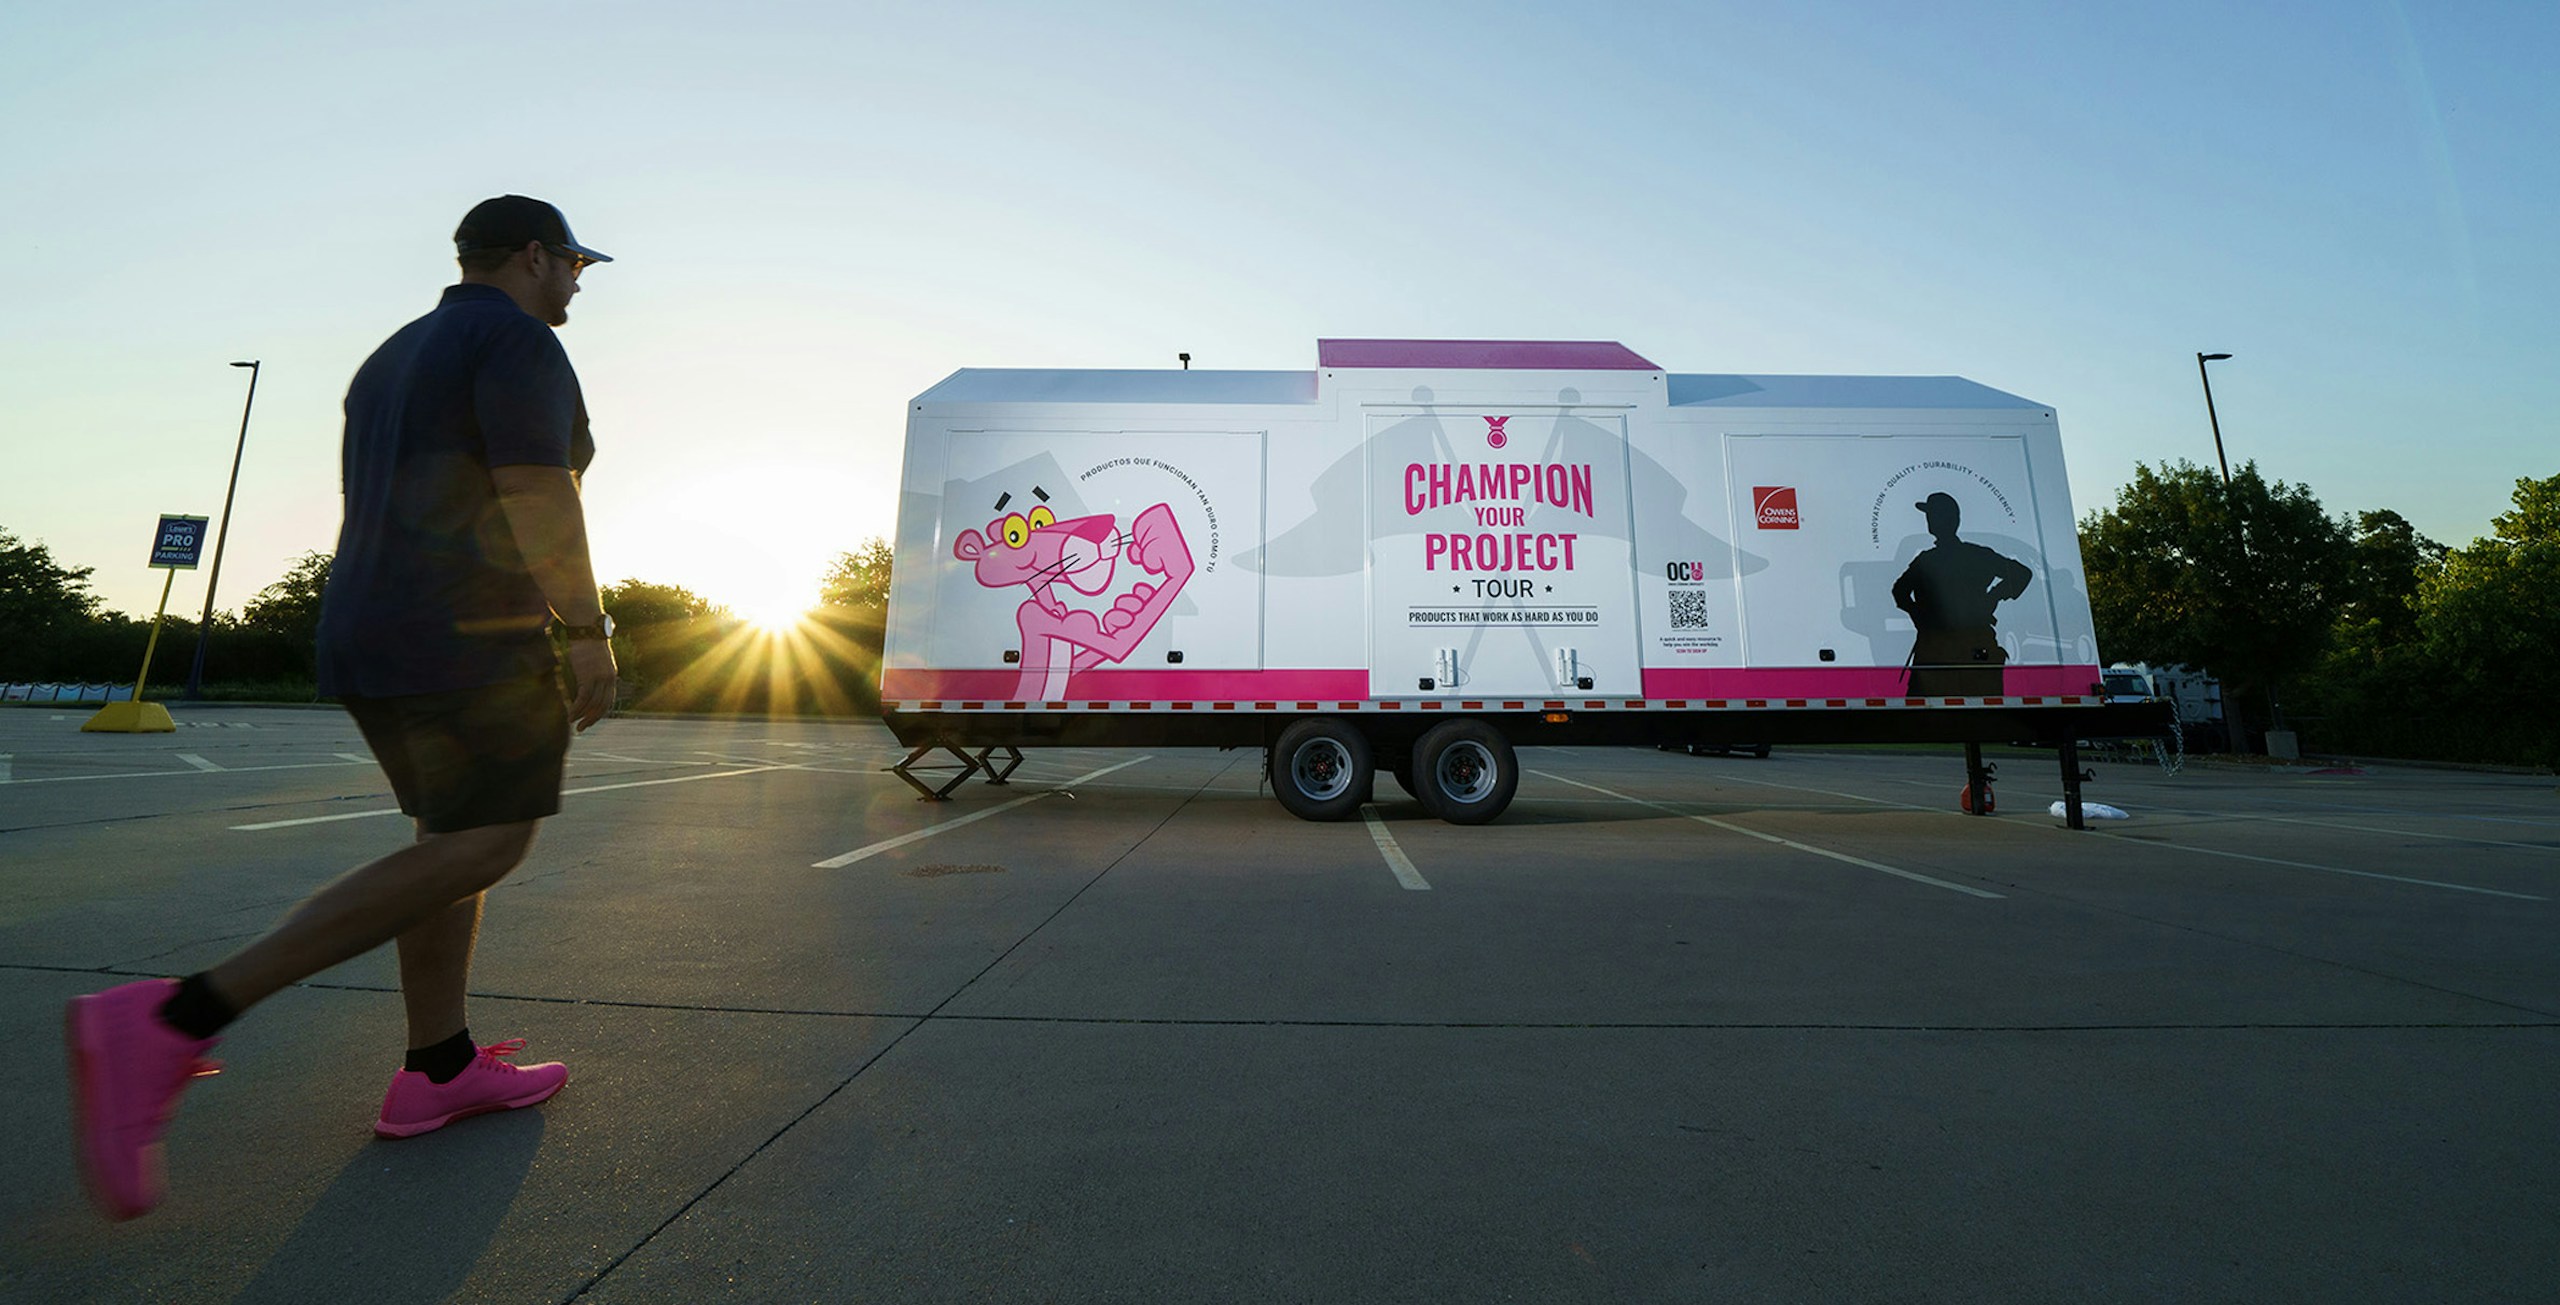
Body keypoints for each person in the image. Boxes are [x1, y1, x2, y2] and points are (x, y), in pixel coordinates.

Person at [64, 195, 621, 1221]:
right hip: (466, 632)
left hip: (369, 624)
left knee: (445, 839)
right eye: (575, 264)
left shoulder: (394, 353)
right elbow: (537, 489)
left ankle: (439, 1067)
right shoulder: (518, 340)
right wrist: (586, 629)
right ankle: (178, 1018)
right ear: (534, 256)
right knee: (489, 842)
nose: (579, 282)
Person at [1891, 491, 2032, 696]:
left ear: (1943, 520)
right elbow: (2021, 574)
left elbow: (1900, 591)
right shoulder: (1976, 555)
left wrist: (1917, 614)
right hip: (1969, 645)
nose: (1930, 520)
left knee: (1926, 712)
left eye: (1932, 515)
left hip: (1939, 648)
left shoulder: (1927, 560)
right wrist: (1994, 596)